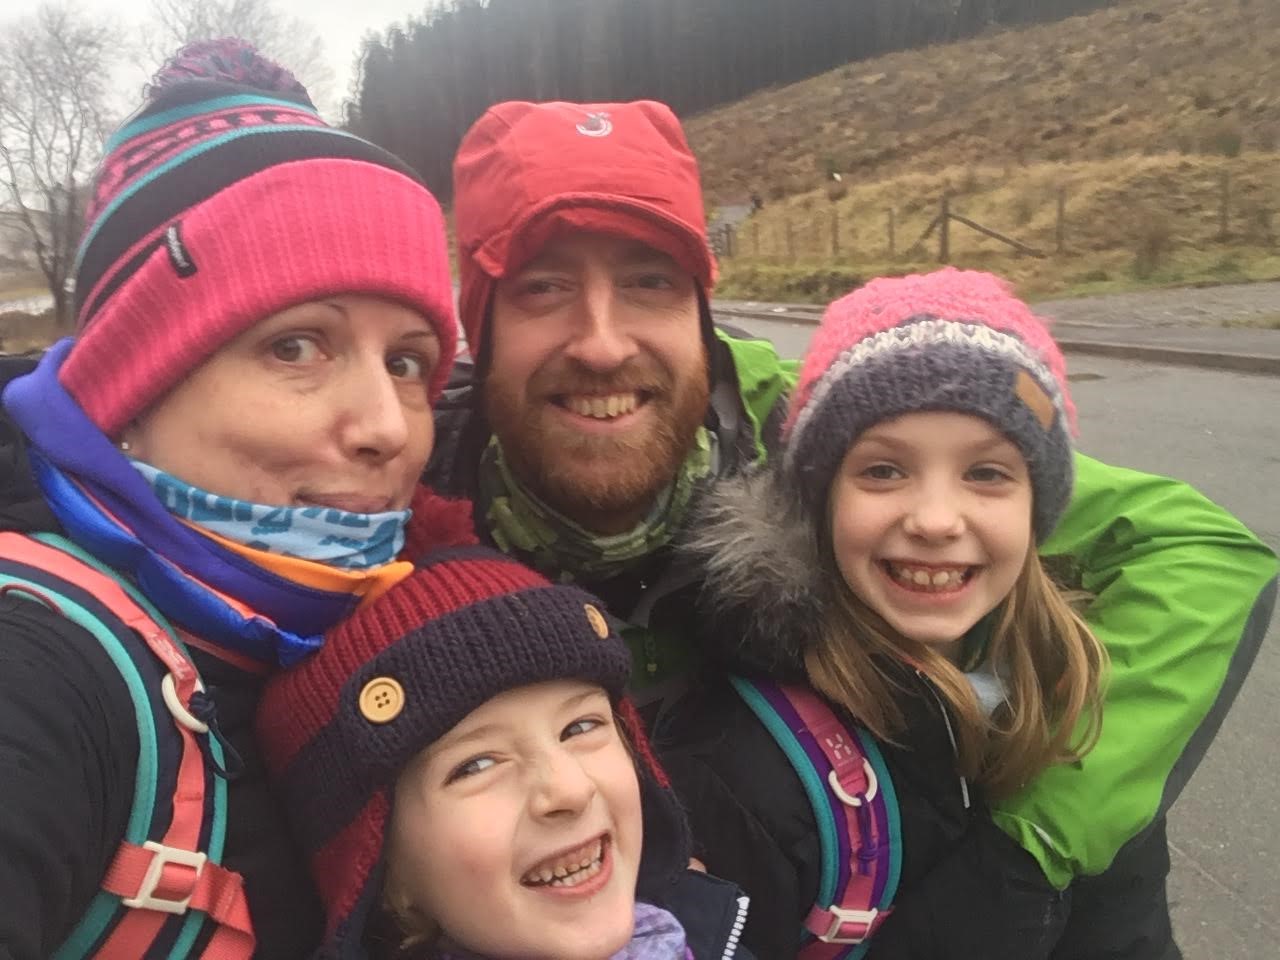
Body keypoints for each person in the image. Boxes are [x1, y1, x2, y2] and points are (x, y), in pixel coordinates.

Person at [429, 98, 1279, 959]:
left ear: (701, 312)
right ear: (480, 324)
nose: (603, 344)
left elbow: (1196, 546)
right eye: (544, 285)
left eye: (649, 280)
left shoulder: (827, 429)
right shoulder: (407, 501)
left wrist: (1033, 847)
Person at [0, 40, 457, 959]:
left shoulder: (343, 629)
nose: (388, 427)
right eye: (298, 347)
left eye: (406, 361)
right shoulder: (43, 662)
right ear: (130, 389)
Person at [681, 268, 1115, 958]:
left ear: (1041, 507)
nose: (937, 520)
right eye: (884, 470)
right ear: (820, 505)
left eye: (987, 473)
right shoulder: (740, 782)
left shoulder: (1070, 687)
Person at [257, 538, 754, 960]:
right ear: (383, 878)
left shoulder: (706, 936)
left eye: (581, 726)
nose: (569, 790)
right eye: (476, 764)